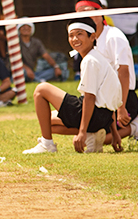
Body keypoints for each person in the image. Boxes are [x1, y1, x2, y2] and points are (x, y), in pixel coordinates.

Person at [23, 18, 123, 154]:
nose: (75, 39)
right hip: (103, 119)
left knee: (41, 89)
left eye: (80, 34)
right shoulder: (98, 57)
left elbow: (90, 98)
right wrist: (114, 132)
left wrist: (81, 132)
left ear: (92, 36)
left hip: (95, 115)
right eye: (71, 35)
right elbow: (107, 99)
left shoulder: (90, 60)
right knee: (47, 122)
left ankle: (47, 145)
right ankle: (91, 135)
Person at [74, 0, 138, 146]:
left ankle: (135, 127)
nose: (85, 16)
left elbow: (124, 72)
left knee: (103, 140)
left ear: (101, 12)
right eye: (79, 13)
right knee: (87, 135)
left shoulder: (114, 36)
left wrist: (121, 107)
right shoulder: (87, 39)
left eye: (88, 11)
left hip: (123, 99)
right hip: (101, 100)